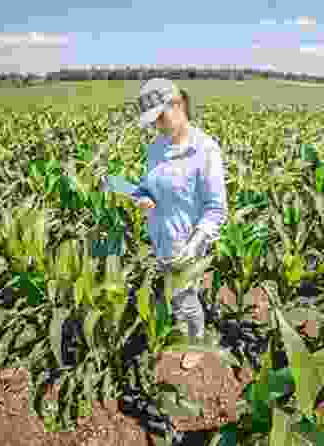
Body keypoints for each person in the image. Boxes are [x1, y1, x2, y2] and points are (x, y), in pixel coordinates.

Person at [131, 78, 227, 369]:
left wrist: (194, 245)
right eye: (153, 120)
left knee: (186, 297)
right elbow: (150, 186)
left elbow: (216, 209)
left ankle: (196, 342)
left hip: (188, 242)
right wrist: (144, 197)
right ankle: (183, 329)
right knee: (173, 293)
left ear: (179, 105)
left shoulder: (204, 150)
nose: (157, 125)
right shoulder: (155, 148)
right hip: (160, 235)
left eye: (161, 117)